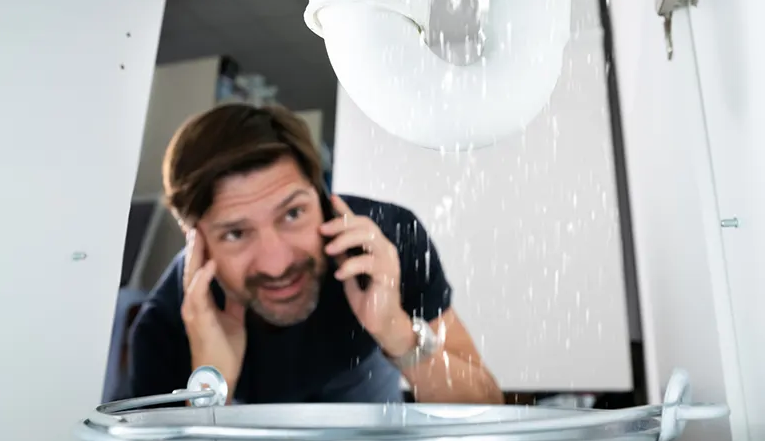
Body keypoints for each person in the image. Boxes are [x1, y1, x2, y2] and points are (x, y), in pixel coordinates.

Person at [128, 102, 502, 405]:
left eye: (293, 213)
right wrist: (214, 382)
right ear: (196, 240)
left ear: (322, 195)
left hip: (360, 370)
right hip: (247, 401)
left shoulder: (391, 241)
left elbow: (487, 406)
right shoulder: (164, 326)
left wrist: (396, 332)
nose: (277, 263)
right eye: (236, 233)